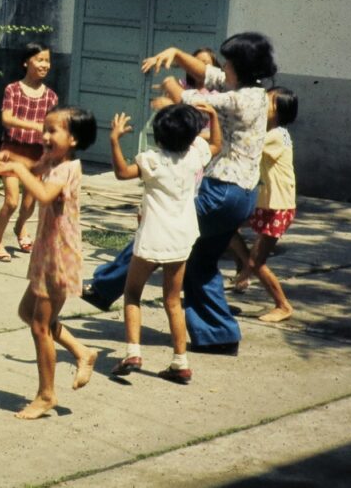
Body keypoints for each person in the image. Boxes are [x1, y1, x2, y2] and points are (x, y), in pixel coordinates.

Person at [83, 33, 277, 355]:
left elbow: (189, 100)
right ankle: (219, 334)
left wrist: (173, 88)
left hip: (222, 192)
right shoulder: (255, 91)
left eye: (227, 61)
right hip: (242, 196)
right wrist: (175, 53)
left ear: (238, 66)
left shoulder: (238, 99)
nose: (222, 66)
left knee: (157, 231)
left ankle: (104, 288)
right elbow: (209, 75)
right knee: (200, 262)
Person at [0, 107, 99, 419]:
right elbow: (34, 167)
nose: (46, 136)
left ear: (74, 139)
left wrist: (21, 172)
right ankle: (82, 352)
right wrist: (11, 160)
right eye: (45, 130)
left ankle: (46, 395)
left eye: (54, 131)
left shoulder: (68, 169)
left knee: (40, 325)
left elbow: (42, 192)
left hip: (60, 257)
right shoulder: (53, 161)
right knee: (28, 313)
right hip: (47, 250)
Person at [107, 104, 222, 384]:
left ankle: (133, 352)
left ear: (158, 137)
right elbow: (216, 143)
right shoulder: (196, 156)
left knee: (132, 293)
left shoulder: (151, 161)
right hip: (182, 237)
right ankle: (180, 362)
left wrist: (114, 140)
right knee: (173, 300)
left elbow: (122, 173)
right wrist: (215, 117)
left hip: (153, 236)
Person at [229, 87, 299, 322]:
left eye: (265, 102)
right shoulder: (273, 132)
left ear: (277, 110)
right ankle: (244, 272)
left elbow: (247, 146)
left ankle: (283, 305)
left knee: (257, 261)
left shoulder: (276, 135)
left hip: (277, 206)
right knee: (227, 226)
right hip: (267, 204)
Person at [0, 43, 58, 262]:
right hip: (12, 150)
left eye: (47, 60)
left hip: (37, 155)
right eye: (39, 60)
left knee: (29, 204)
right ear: (26, 62)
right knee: (11, 201)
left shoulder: (51, 97)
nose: (44, 65)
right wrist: (35, 126)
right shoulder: (13, 89)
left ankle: (20, 227)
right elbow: (6, 119)